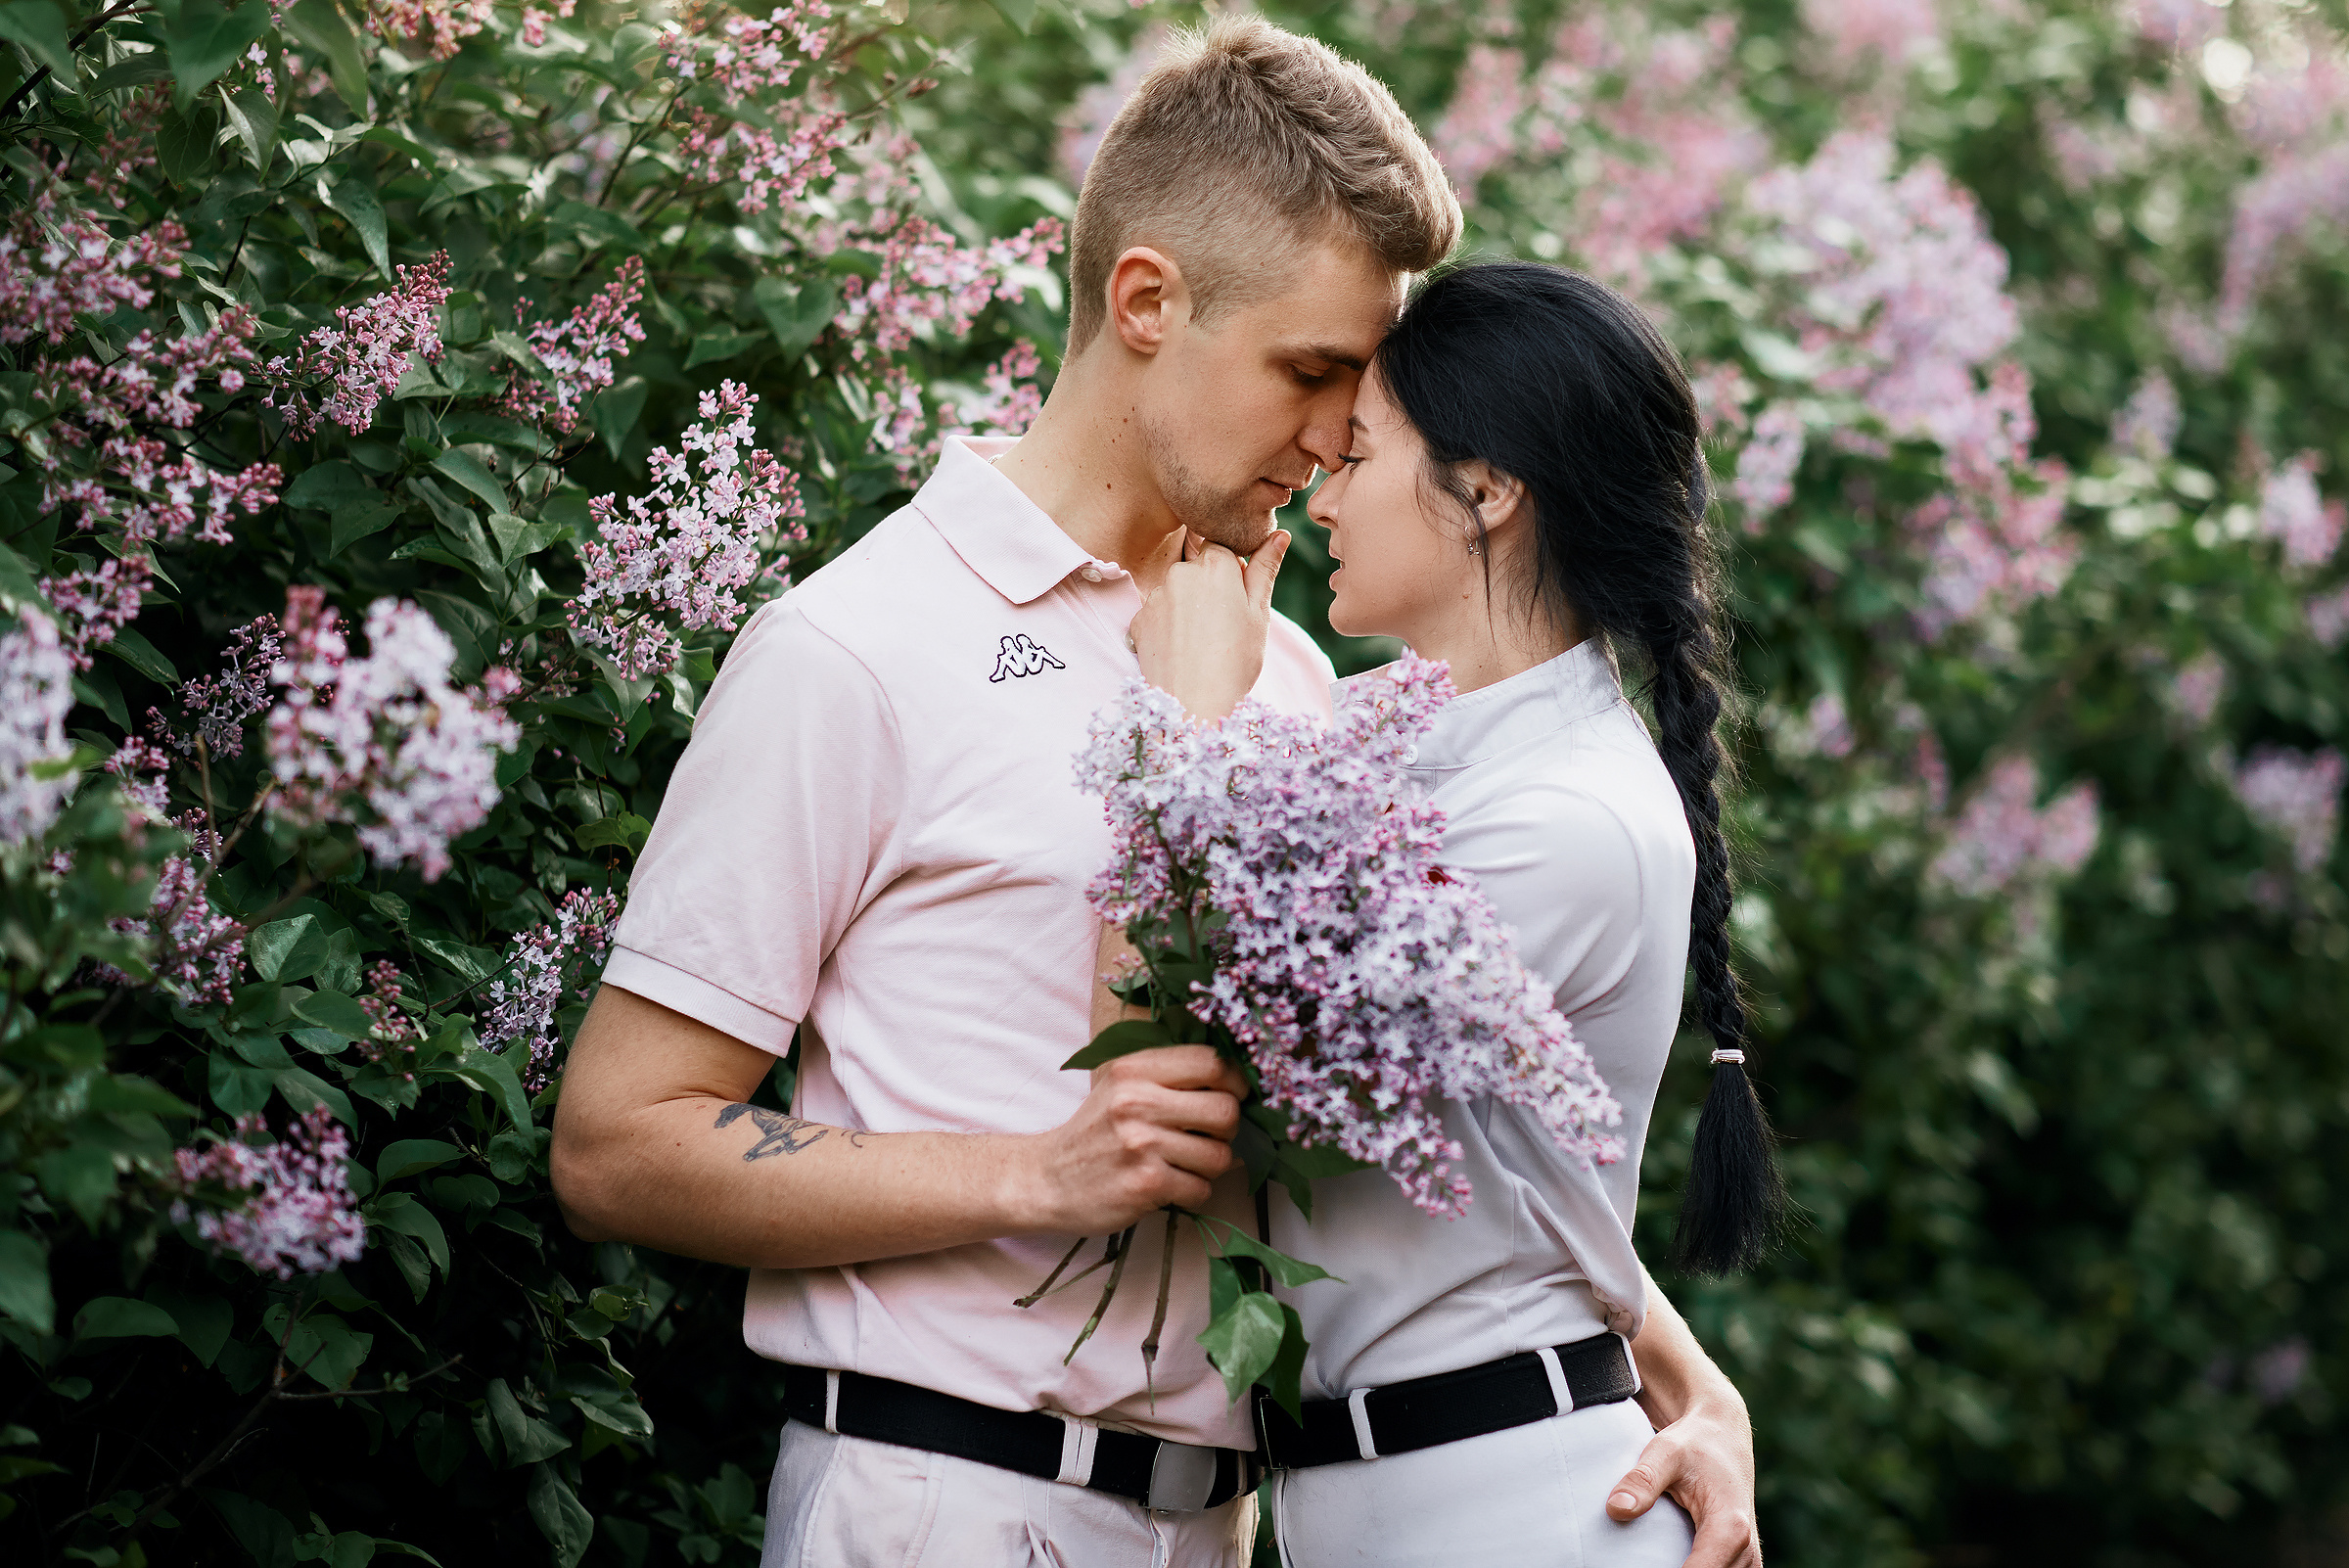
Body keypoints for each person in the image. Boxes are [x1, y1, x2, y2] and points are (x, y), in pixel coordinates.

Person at [550, 18, 1758, 1565]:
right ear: (1145, 301)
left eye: (1362, 392)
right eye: (1314, 372)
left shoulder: (1297, 679)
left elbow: (1399, 1123)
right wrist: (1036, 1173)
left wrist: (1678, 1374)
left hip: (1240, 1524)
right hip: (949, 1500)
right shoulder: (856, 650)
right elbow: (615, 1140)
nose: (1339, 439)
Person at [1123, 260, 1777, 1567]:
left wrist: (1182, 728)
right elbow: (1512, 1189)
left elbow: (1217, 1066)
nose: (1322, 500)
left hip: (1508, 1511)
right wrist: (1699, 1379)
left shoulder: (1570, 817)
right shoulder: (1405, 736)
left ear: (1487, 492)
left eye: (1360, 452)